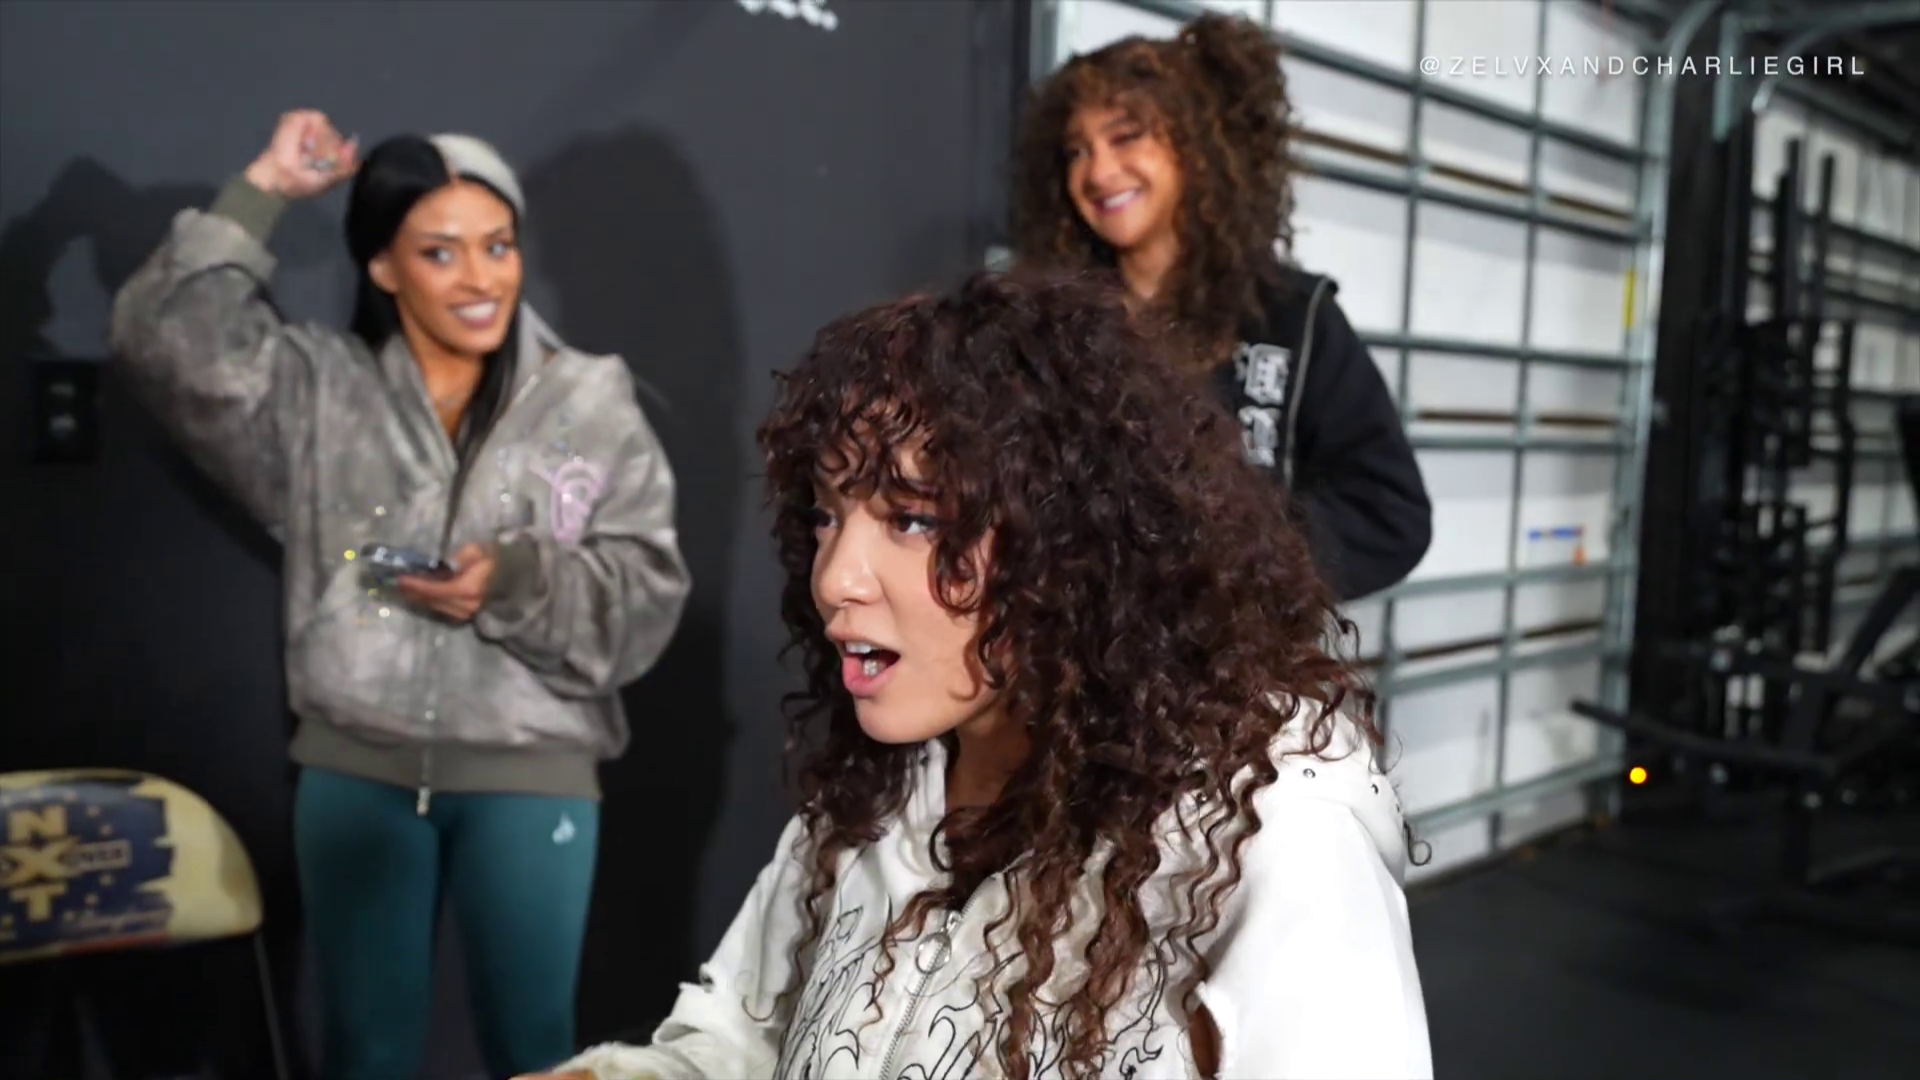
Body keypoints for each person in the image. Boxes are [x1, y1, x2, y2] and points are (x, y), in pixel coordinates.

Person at [526, 271, 1430, 1079]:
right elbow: (743, 1042)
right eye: (829, 515)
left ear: (1073, 541)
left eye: (914, 520)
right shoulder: (875, 792)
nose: (836, 577)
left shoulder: (1272, 832)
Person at [110, 110, 692, 1079]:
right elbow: (161, 339)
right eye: (440, 252)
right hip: (356, 773)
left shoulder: (589, 398)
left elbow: (644, 597)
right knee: (365, 1054)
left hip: (531, 773)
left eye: (498, 245)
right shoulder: (318, 390)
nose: (480, 278)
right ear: (384, 267)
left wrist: (514, 579)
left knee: (539, 1054)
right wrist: (263, 190)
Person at [1010, 12, 1432, 602]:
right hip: (1082, 647)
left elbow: (1389, 514)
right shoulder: (1050, 323)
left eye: (1126, 136)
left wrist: (1234, 558)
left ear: (1196, 148)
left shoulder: (1292, 315)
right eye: (1076, 151)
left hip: (1239, 649)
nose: (1099, 172)